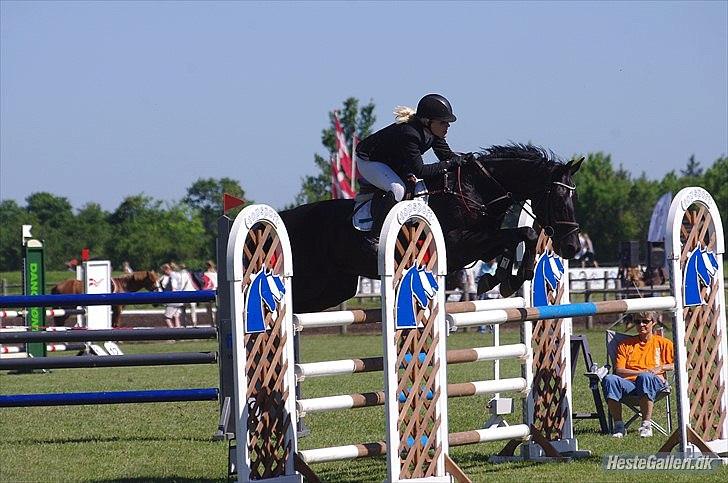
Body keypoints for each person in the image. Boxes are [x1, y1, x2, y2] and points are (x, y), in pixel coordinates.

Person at [353, 93, 468, 231]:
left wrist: (469, 161)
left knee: (414, 187)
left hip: (393, 162)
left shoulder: (434, 133)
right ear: (427, 121)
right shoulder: (410, 133)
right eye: (442, 122)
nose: (448, 125)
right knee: (397, 190)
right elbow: (420, 171)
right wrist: (452, 164)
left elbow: (447, 157)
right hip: (370, 161)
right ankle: (376, 235)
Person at [601, 311, 674, 438]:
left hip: (654, 383)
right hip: (629, 384)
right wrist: (642, 372)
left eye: (645, 321)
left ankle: (646, 425)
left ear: (653, 323)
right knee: (610, 379)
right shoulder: (625, 344)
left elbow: (682, 364)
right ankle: (619, 426)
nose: (641, 325)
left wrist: (660, 368)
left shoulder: (663, 343)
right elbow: (619, 370)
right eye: (637, 322)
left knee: (645, 377)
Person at [160, 263, 184, 329]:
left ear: (167, 270)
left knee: (166, 317)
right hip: (179, 298)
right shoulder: (178, 274)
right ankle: (178, 334)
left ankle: (172, 334)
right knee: (176, 316)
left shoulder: (172, 276)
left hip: (173, 298)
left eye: (164, 271)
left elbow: (174, 287)